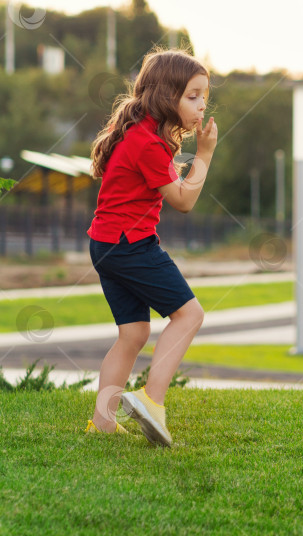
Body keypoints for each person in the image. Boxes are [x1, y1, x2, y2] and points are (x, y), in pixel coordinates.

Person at [84, 48, 217, 446]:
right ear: (165, 95)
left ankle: (102, 421)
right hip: (129, 246)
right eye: (192, 96)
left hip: (105, 244)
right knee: (190, 316)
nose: (201, 105)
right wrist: (206, 156)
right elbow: (184, 200)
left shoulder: (142, 133)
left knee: (133, 333)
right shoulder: (147, 142)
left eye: (204, 96)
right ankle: (151, 400)